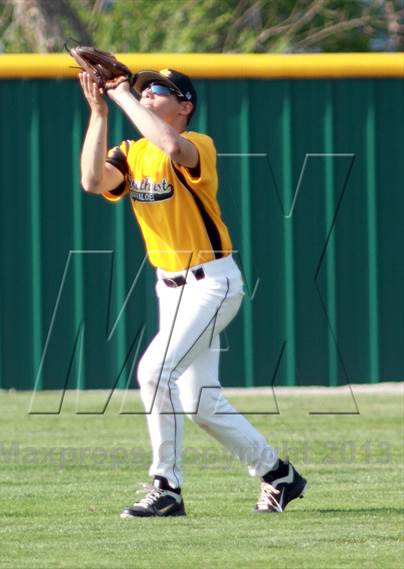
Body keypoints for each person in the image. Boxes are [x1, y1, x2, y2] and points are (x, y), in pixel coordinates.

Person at [79, 67, 307, 517]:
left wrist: (123, 92)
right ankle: (279, 475)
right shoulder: (130, 152)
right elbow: (92, 181)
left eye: (158, 90)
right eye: (143, 89)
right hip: (171, 289)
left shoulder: (197, 144)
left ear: (185, 106)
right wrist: (100, 111)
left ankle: (167, 487)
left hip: (213, 283)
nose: (146, 94)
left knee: (152, 372)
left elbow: (168, 144)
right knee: (201, 404)